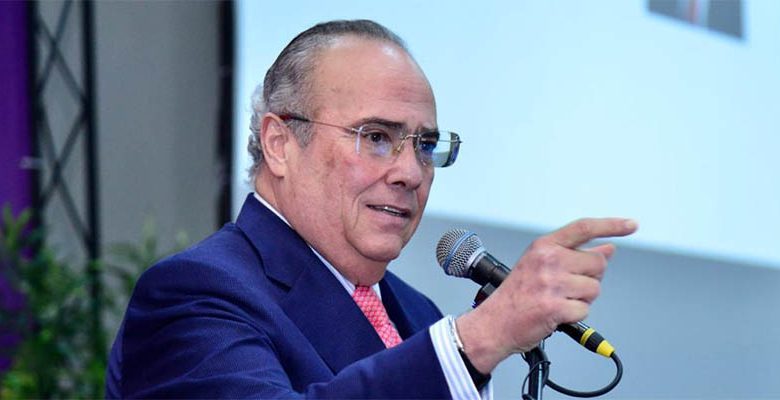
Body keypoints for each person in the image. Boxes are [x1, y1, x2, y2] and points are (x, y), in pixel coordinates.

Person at [105, 19, 637, 399]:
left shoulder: (417, 313)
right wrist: (481, 337)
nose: (411, 172)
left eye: (425, 145)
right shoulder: (195, 292)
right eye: (377, 136)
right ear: (280, 144)